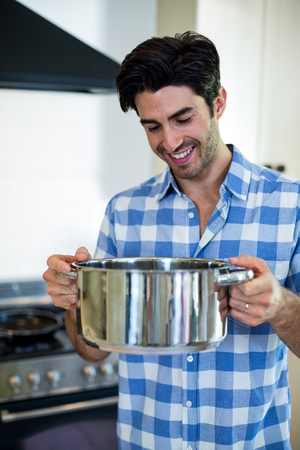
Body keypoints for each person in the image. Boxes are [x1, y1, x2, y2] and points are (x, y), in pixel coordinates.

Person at [43, 31, 300, 449]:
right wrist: (75, 302)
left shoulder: (290, 204)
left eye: (183, 118)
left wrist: (283, 307)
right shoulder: (125, 212)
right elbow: (92, 352)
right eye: (152, 126)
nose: (171, 142)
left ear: (217, 103)